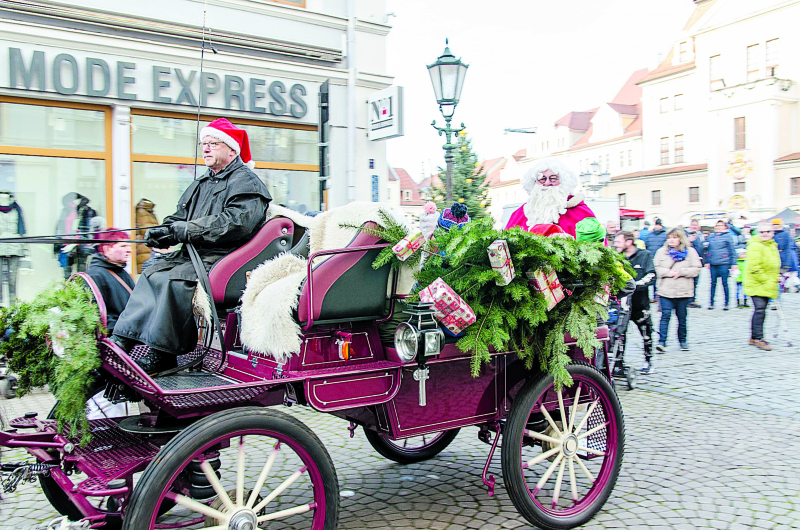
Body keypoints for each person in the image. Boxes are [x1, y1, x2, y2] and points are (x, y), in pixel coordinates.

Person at [112, 118, 272, 373]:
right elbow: (179, 217)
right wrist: (163, 232)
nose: (206, 149)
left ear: (232, 149)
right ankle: (124, 338)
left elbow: (234, 224)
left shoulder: (248, 183)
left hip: (228, 257)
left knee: (174, 280)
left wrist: (185, 231)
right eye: (203, 144)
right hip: (195, 254)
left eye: (213, 143)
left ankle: (162, 353)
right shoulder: (201, 184)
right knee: (153, 271)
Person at [505, 159, 598, 238]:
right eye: (542, 179)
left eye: (553, 178)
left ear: (563, 182)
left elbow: (597, 243)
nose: (547, 183)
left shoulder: (579, 212)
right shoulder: (520, 214)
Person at [613, 231, 656, 375]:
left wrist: (634, 285)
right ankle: (618, 363)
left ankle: (648, 361)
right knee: (620, 334)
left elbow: (651, 275)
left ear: (629, 242)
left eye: (618, 242)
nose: (615, 244)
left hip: (640, 304)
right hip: (622, 306)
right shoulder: (616, 257)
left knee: (646, 333)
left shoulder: (645, 255)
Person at [653, 228, 701, 352]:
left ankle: (683, 341)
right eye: (669, 238)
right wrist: (669, 272)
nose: (671, 240)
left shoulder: (690, 252)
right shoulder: (661, 252)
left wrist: (682, 272)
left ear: (680, 238)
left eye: (674, 237)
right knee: (665, 316)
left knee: (682, 317)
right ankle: (662, 341)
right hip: (665, 290)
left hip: (683, 291)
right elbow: (656, 268)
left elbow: (696, 269)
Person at [88, 229, 134, 333]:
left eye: (129, 246)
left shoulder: (122, 273)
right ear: (107, 249)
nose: (129, 250)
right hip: (116, 341)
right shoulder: (95, 275)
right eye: (123, 246)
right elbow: (95, 315)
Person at [744, 223, 780, 351]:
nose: (765, 234)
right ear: (758, 233)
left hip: (767, 283)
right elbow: (755, 268)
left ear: (772, 233)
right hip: (757, 283)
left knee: (761, 310)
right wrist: (767, 280)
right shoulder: (755, 246)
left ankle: (754, 337)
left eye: (767, 231)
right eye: (762, 232)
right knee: (760, 309)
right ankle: (758, 338)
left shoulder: (772, 246)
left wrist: (776, 277)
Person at [705, 219, 736, 310]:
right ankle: (711, 303)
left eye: (720, 225)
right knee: (713, 283)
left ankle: (726, 303)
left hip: (724, 262)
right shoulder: (711, 237)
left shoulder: (728, 236)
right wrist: (707, 261)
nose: (718, 227)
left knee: (725, 283)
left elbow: (732, 250)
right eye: (717, 225)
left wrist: (734, 263)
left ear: (724, 227)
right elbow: (707, 249)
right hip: (713, 263)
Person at [645, 219, 667, 303]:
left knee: (660, 277)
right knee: (654, 277)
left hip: (661, 259)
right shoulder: (650, 235)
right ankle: (655, 295)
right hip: (653, 258)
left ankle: (659, 294)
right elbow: (647, 246)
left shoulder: (663, 235)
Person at [685, 219, 705, 308]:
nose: (694, 227)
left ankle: (692, 299)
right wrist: (688, 241)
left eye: (696, 225)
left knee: (695, 282)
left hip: (697, 261)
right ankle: (687, 300)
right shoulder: (685, 234)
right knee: (688, 282)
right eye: (693, 225)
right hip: (687, 262)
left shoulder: (700, 236)